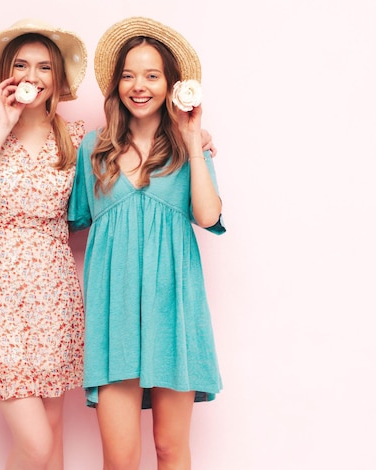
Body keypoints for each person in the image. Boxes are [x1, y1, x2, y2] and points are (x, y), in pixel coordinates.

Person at [68, 16, 225, 469]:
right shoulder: (93, 148)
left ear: (171, 85)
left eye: (152, 75)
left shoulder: (188, 147)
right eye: (129, 75)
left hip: (174, 312)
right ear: (116, 84)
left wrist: (194, 140)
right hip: (113, 316)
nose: (139, 86)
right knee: (119, 460)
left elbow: (208, 215)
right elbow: (70, 220)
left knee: (171, 449)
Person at [0, 19, 87, 470]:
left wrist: (192, 139)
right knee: (36, 444)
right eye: (21, 65)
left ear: (58, 79)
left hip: (54, 294)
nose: (32, 76)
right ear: (6, 74)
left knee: (54, 437)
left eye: (44, 67)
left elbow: (125, 178)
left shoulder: (78, 139)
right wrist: (1, 126)